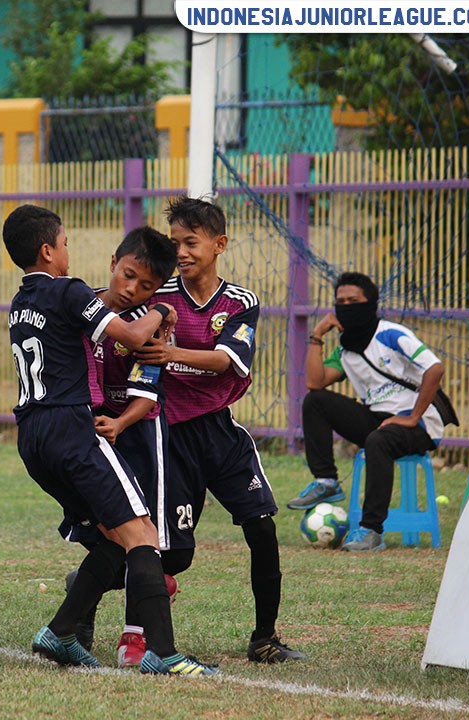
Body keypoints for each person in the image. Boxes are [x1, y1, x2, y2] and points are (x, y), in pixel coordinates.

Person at [4, 204, 217, 676]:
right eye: (64, 244)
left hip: (32, 436)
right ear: (48, 249)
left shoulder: (22, 300)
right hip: (70, 427)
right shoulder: (70, 291)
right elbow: (132, 335)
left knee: (113, 536)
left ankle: (59, 631)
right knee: (143, 533)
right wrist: (163, 306)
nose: (67, 251)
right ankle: (163, 654)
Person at [135, 196, 306, 664]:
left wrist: (171, 355)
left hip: (219, 431)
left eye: (190, 242)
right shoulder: (159, 297)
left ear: (219, 244)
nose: (182, 252)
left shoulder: (240, 302)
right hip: (169, 436)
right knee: (175, 556)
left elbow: (229, 360)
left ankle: (264, 638)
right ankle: (95, 581)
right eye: (175, 244)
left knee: (262, 527)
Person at [59, 226, 193, 669]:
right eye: (128, 275)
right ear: (113, 263)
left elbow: (149, 393)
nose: (131, 289)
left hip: (137, 432)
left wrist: (120, 421)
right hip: (92, 433)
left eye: (147, 286)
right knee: (105, 534)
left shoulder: (153, 325)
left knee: (145, 538)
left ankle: (136, 640)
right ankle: (78, 616)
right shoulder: (85, 307)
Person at [286, 271, 446, 552]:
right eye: (341, 301)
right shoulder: (346, 350)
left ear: (370, 303)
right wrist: (317, 335)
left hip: (419, 424)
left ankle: (372, 531)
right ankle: (326, 481)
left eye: (354, 300)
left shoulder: (391, 334)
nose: (347, 306)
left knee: (378, 440)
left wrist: (412, 416)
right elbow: (315, 381)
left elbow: (435, 368)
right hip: (378, 420)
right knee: (315, 401)